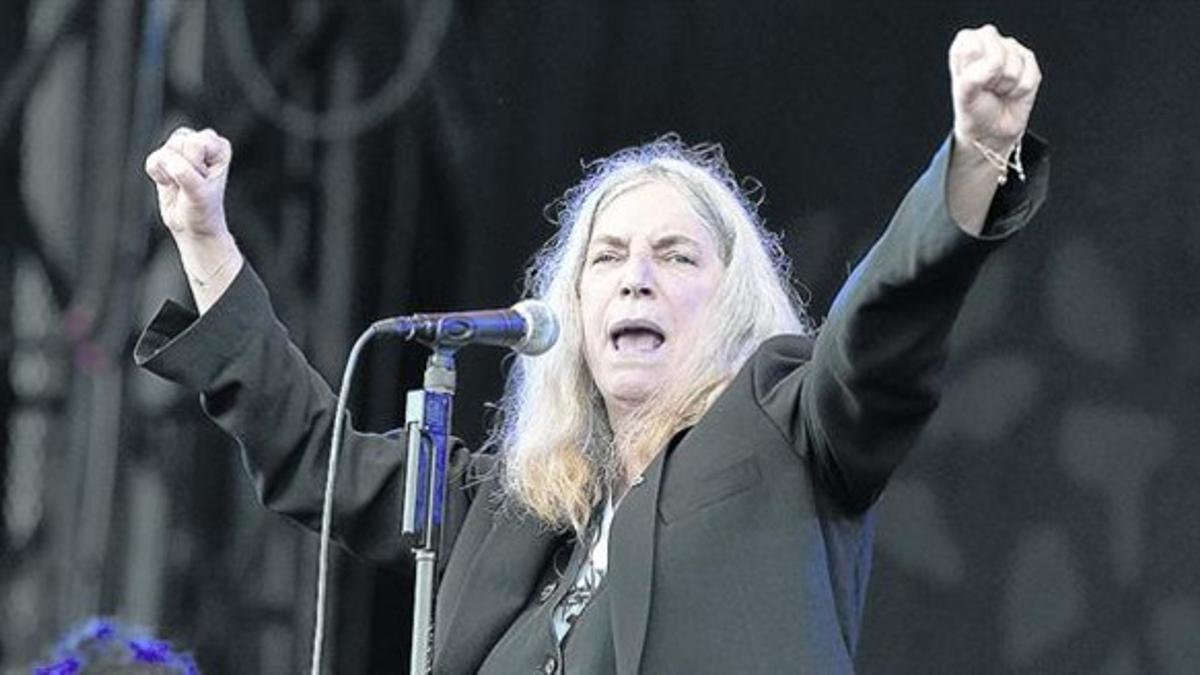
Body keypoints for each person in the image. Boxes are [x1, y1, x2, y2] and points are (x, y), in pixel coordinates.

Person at [135, 25, 1047, 674]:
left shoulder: (782, 424)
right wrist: (210, 248)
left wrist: (972, 159)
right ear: (570, 308)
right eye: (606, 258)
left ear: (730, 301)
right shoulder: (513, 507)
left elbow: (882, 333)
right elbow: (315, 457)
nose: (634, 278)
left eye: (675, 255)